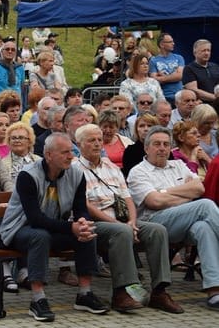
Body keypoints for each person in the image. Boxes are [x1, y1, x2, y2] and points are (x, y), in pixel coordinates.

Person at [0, 133, 107, 322]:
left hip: (53, 228)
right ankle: (38, 299)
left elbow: (80, 207)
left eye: (72, 152)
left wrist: (82, 222)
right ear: (48, 155)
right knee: (40, 236)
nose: (71, 156)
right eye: (64, 152)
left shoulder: (76, 174)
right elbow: (35, 219)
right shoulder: (28, 175)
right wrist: (70, 227)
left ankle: (84, 294)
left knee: (87, 232)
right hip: (19, 230)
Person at [75, 124, 179, 312]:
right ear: (79, 144)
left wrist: (132, 221)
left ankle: (159, 291)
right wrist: (119, 224)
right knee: (121, 231)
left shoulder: (111, 167)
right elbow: (84, 205)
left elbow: (127, 198)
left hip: (122, 221)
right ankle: (122, 293)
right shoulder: (74, 169)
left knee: (157, 230)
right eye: (92, 140)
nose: (98, 144)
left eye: (99, 139)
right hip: (94, 223)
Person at [128, 126, 219, 310]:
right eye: (157, 144)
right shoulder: (138, 171)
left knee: (204, 228)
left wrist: (165, 193)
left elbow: (199, 189)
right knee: (205, 205)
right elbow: (154, 201)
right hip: (154, 223)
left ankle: (214, 291)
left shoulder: (178, 165)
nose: (162, 148)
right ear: (147, 148)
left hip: (184, 221)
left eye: (166, 144)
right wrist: (183, 195)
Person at [149, 32, 184, 105]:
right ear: (162, 44)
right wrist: (173, 76)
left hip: (179, 97)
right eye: (170, 42)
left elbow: (179, 76)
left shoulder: (179, 58)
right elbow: (154, 80)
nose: (173, 43)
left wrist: (162, 78)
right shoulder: (153, 61)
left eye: (173, 41)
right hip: (163, 98)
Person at [122, 113, 159, 178]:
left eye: (149, 126)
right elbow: (130, 175)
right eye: (141, 126)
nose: (146, 129)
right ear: (136, 129)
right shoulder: (130, 151)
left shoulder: (163, 149)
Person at [182, 39, 219, 103]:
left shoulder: (215, 66)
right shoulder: (189, 69)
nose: (206, 53)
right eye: (203, 50)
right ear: (195, 52)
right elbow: (194, 90)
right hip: (201, 107)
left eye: (208, 50)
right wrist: (215, 98)